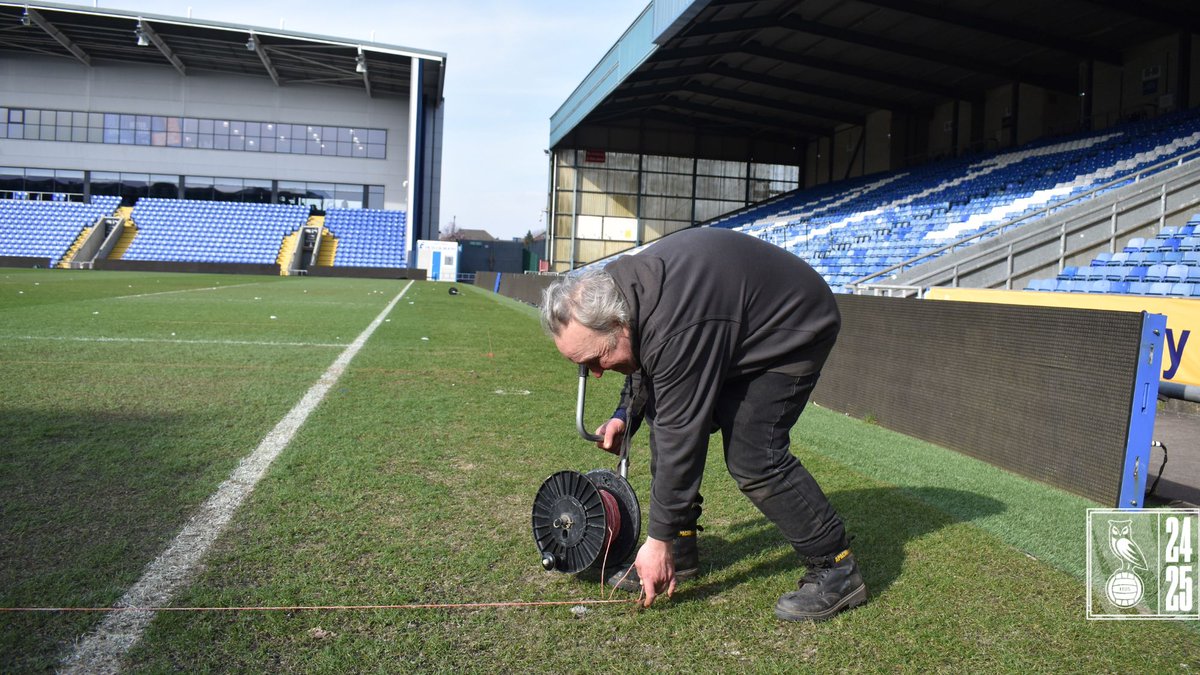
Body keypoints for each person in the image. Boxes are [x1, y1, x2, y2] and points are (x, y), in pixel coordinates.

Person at [539, 227, 866, 622]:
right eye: (583, 365)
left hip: (794, 326)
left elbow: (682, 434)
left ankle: (837, 566)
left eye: (596, 359)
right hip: (730, 320)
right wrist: (625, 414)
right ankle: (681, 547)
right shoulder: (625, 296)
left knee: (754, 457)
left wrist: (655, 539)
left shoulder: (675, 324)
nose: (596, 373)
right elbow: (647, 358)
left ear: (617, 324)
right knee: (662, 414)